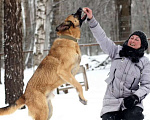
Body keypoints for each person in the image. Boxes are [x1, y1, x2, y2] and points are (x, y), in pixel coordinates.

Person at [83, 7, 150, 120]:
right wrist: (91, 19)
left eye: (136, 39)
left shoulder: (144, 62)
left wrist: (135, 97)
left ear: (142, 45)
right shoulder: (116, 51)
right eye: (131, 38)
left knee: (134, 116)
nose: (132, 40)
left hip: (130, 102)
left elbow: (147, 85)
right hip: (111, 101)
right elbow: (102, 38)